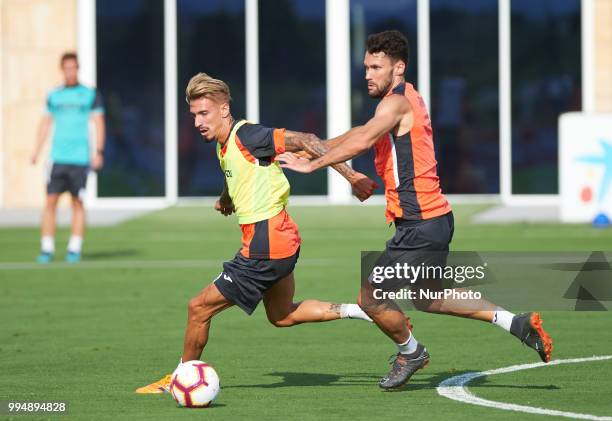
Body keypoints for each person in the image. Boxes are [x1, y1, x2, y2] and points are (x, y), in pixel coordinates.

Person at [278, 30, 553, 390]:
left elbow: (363, 138)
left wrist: (313, 165)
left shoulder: (395, 104)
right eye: (366, 67)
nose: (368, 74)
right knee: (429, 297)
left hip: (421, 225)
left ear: (399, 67)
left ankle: (411, 352)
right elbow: (364, 131)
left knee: (371, 297)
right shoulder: (402, 98)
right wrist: (314, 148)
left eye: (376, 67)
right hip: (433, 220)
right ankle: (516, 323)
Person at [136, 73, 384, 394]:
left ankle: (178, 379)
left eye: (204, 113)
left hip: (266, 244)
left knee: (198, 308)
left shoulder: (250, 135)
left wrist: (351, 176)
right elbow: (236, 172)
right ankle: (359, 310)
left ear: (224, 109)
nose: (198, 121)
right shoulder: (224, 146)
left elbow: (307, 138)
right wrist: (226, 199)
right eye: (194, 115)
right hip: (282, 239)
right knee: (282, 315)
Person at [31, 52, 105, 263]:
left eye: (74, 67)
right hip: (58, 157)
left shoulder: (90, 94)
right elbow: (45, 123)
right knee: (50, 202)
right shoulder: (54, 95)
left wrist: (98, 152)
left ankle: (74, 248)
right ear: (62, 69)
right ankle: (46, 248)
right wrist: (36, 150)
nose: (70, 71)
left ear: (78, 69)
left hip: (80, 159)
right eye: (67, 68)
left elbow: (99, 123)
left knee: (78, 202)